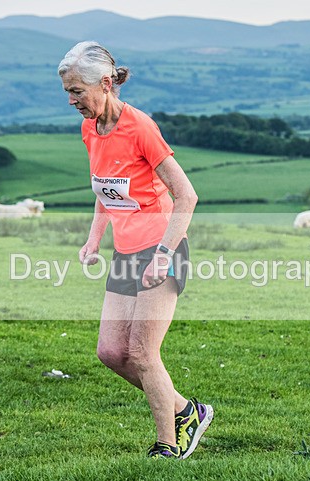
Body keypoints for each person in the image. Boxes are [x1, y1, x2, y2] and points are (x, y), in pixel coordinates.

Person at [58, 41, 213, 459]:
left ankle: (169, 445)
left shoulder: (140, 127)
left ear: (106, 84)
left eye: (77, 91)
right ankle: (186, 410)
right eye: (68, 92)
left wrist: (163, 254)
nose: (72, 100)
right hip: (126, 253)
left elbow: (187, 195)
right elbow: (104, 189)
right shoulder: (90, 129)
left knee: (143, 353)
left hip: (162, 248)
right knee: (111, 351)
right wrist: (94, 238)